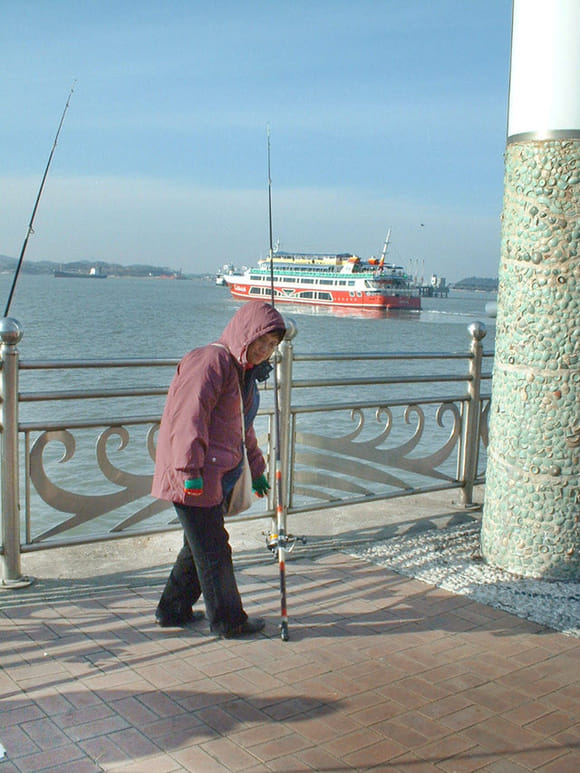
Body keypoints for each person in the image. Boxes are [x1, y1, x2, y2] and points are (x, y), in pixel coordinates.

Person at [152, 301, 286, 638]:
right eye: (261, 341)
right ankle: (229, 621)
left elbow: (243, 427)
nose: (265, 351)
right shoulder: (210, 361)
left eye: (272, 345)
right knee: (214, 549)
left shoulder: (242, 372)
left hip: (216, 475)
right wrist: (188, 470)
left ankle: (173, 610)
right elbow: (188, 418)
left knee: (198, 546)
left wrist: (257, 469)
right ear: (245, 333)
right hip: (193, 476)